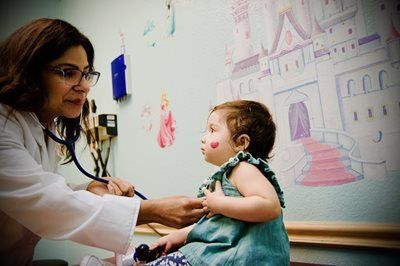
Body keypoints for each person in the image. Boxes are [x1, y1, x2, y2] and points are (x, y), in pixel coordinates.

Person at [0, 18, 204, 265]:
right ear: (29, 72)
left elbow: (41, 188)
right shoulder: (4, 122)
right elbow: (42, 201)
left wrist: (89, 188)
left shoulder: (42, 126)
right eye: (68, 73)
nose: (85, 86)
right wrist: (152, 210)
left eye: (86, 74)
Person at [146, 100, 290, 265]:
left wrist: (220, 203)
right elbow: (216, 226)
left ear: (241, 143)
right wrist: (174, 237)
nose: (203, 138)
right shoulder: (227, 177)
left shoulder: (244, 169)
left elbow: (271, 207)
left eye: (212, 130)